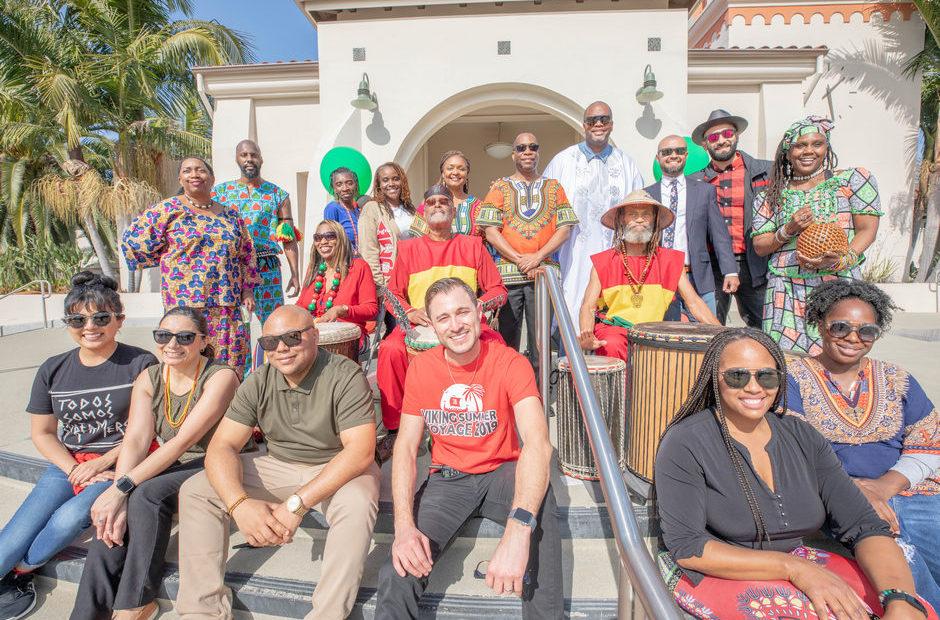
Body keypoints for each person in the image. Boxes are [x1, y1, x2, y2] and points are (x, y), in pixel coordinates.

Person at [655, 328, 936, 620]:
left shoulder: (801, 435)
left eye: (767, 376)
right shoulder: (686, 441)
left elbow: (864, 524)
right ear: (715, 378)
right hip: (715, 570)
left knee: (917, 612)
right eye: (737, 376)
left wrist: (899, 598)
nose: (754, 387)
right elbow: (689, 548)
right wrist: (794, 569)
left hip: (799, 560)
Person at [175, 306, 380, 620]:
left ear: (314, 335)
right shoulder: (259, 380)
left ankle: (327, 615)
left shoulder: (343, 373)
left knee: (359, 500)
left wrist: (295, 505)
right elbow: (221, 447)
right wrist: (239, 504)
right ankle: (201, 611)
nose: (281, 348)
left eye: (292, 337)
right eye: (270, 343)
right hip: (278, 464)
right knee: (197, 490)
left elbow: (360, 452)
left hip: (337, 467)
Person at [376, 277, 562, 619]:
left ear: (480, 313)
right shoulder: (421, 369)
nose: (456, 325)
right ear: (431, 325)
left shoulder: (510, 362)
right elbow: (404, 448)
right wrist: (403, 527)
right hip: (448, 479)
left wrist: (518, 530)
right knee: (398, 570)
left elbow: (538, 444)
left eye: (463, 312)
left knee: (540, 498)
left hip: (501, 473)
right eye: (444, 317)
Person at [0, 272, 157, 620]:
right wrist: (73, 468)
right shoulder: (53, 369)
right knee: (10, 541)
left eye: (101, 318)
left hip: (119, 465)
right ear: (68, 323)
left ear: (119, 320)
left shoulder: (141, 364)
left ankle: (21, 573)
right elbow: (42, 432)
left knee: (67, 520)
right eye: (78, 319)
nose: (90, 326)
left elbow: (145, 431)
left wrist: (102, 466)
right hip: (67, 465)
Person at [70, 306, 241, 620]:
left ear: (203, 341)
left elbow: (183, 441)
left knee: (147, 493)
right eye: (163, 335)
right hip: (178, 462)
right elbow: (135, 441)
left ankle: (136, 601)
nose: (172, 344)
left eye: (184, 337)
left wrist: (122, 488)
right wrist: (116, 499)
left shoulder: (221, 376)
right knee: (109, 516)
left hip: (219, 460)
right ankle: (86, 614)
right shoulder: (150, 377)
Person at [787, 280, 940, 610]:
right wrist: (854, 490)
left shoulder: (896, 378)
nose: (853, 338)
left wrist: (882, 488)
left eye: (866, 331)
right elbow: (792, 451)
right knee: (905, 565)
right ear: (820, 324)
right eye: (840, 327)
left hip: (908, 491)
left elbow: (928, 442)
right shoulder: (792, 377)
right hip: (836, 498)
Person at [376, 184, 507, 460]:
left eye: (443, 202)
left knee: (496, 343)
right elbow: (392, 295)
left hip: (464, 324)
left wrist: (480, 305)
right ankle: (396, 428)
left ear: (453, 208)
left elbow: (498, 290)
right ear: (424, 211)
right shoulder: (409, 248)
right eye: (432, 202)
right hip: (421, 324)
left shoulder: (473, 245)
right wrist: (410, 312)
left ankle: (496, 415)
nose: (437, 205)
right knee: (390, 350)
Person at [752, 116, 882, 355]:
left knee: (838, 352)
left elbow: (867, 230)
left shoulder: (852, 181)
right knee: (787, 358)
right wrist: (788, 230)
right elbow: (760, 245)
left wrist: (841, 260)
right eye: (800, 145)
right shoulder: (770, 195)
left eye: (816, 144)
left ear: (827, 146)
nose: (808, 151)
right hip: (787, 288)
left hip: (838, 282)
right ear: (788, 152)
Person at [122, 156, 260, 376]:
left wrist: (247, 288)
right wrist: (166, 259)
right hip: (185, 307)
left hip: (226, 308)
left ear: (212, 178)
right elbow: (133, 243)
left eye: (200, 170)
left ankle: (229, 410)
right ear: (180, 178)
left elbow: (246, 254)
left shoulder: (231, 215)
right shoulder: (167, 210)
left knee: (228, 370)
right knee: (186, 367)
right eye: (187, 171)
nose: (194, 175)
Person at [578, 190, 719, 362]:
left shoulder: (670, 260)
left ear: (655, 220)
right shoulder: (604, 261)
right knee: (612, 343)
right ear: (622, 219)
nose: (639, 219)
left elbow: (694, 302)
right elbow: (588, 306)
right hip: (615, 331)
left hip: (654, 333)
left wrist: (722, 333)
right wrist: (586, 333)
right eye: (632, 214)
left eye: (646, 215)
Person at [477, 132, 578, 369]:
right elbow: (490, 231)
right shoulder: (500, 187)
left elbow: (565, 229)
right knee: (506, 342)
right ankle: (508, 399)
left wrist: (537, 257)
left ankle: (539, 400)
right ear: (513, 154)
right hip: (507, 278)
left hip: (543, 277)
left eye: (533, 146)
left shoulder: (554, 187)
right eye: (521, 148)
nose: (528, 151)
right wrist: (521, 259)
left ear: (538, 152)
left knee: (540, 345)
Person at [544, 101, 645, 321]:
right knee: (571, 310)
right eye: (592, 120)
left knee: (613, 317)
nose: (598, 124)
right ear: (584, 125)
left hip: (617, 255)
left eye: (604, 119)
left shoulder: (627, 164)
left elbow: (640, 212)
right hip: (572, 255)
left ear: (611, 125)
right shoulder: (562, 161)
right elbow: (546, 211)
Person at [691, 109, 773, 328]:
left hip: (755, 261)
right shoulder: (697, 181)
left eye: (727, 134)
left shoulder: (765, 172)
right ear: (705, 145)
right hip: (714, 264)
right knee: (711, 327)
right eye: (713, 137)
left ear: (736, 135)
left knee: (763, 326)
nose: (721, 141)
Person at [645, 134, 738, 321]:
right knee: (666, 336)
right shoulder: (647, 195)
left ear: (686, 155)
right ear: (658, 158)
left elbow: (719, 234)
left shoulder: (704, 191)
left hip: (698, 276)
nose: (673, 155)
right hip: (659, 279)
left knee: (707, 334)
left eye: (679, 151)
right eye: (666, 152)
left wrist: (730, 271)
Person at [212, 139, 301, 326]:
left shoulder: (278, 194)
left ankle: (273, 356)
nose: (249, 159)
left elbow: (288, 237)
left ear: (261, 159)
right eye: (244, 155)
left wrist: (295, 273)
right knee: (236, 325)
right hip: (234, 267)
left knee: (274, 323)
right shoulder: (220, 193)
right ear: (237, 159)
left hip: (267, 266)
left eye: (253, 155)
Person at [296, 220, 378, 348]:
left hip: (350, 336)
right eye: (318, 238)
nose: (323, 242)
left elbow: (371, 309)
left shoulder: (359, 267)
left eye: (329, 236)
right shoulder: (314, 270)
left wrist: (342, 310)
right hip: (313, 335)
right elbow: (300, 306)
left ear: (340, 238)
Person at [413, 150, 483, 236]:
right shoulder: (429, 202)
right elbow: (416, 236)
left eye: (461, 169)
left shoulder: (478, 206)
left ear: (467, 174)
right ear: (443, 173)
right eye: (450, 168)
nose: (455, 172)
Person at [324, 167, 363, 253]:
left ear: (355, 184)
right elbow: (330, 241)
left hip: (363, 262)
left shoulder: (358, 209)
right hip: (344, 262)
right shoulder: (332, 208)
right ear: (334, 188)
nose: (345, 188)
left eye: (349, 183)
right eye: (339, 184)